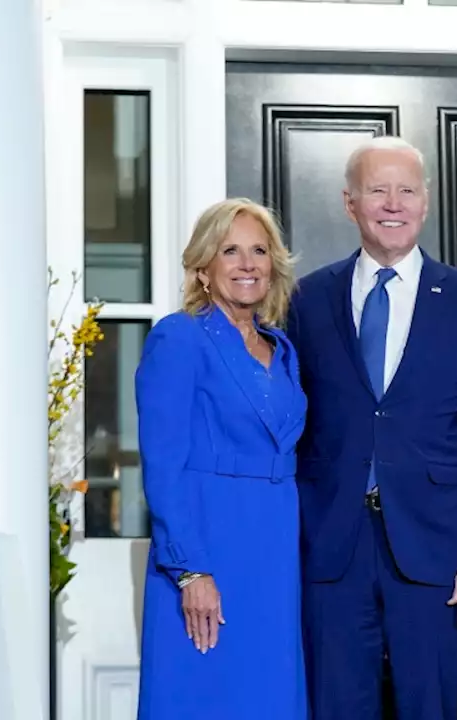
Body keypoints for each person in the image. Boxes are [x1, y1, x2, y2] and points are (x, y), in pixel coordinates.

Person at [286, 136, 457, 720]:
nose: (393, 203)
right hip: (332, 548)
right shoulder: (307, 299)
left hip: (436, 550)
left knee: (431, 707)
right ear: (349, 202)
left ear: (426, 201)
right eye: (377, 190)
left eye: (406, 190)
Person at [135, 198, 307, 719]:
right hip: (209, 544)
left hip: (274, 548)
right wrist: (190, 570)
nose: (247, 263)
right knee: (204, 693)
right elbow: (163, 464)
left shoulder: (281, 347)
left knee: (269, 693)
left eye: (259, 250)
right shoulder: (179, 337)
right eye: (230, 251)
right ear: (203, 269)